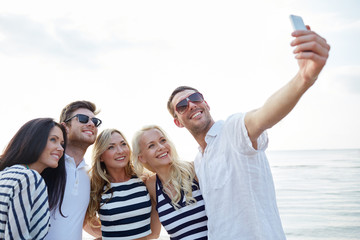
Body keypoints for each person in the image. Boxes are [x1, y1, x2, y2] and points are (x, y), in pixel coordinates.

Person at [166, 27, 330, 239]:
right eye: (181, 105)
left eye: (195, 98)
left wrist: (304, 78)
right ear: (178, 122)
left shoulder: (233, 131)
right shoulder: (198, 160)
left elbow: (264, 115)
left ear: (206, 103)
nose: (191, 105)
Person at [132, 125, 208, 240]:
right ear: (142, 158)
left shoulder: (194, 170)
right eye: (151, 145)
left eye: (162, 140)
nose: (161, 147)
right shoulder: (152, 186)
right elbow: (153, 233)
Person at [85, 128, 161, 240]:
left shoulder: (145, 180)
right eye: (111, 147)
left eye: (123, 144)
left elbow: (155, 233)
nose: (120, 151)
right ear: (101, 156)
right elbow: (86, 222)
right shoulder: (95, 187)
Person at [0, 118, 66, 239]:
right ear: (33, 140)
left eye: (62, 144)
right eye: (53, 140)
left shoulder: (5, 174)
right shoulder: (29, 177)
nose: (61, 149)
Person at [45, 100, 102, 240]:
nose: (91, 124)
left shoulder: (89, 175)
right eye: (83, 119)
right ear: (65, 128)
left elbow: (83, 220)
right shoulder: (45, 166)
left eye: (95, 121)